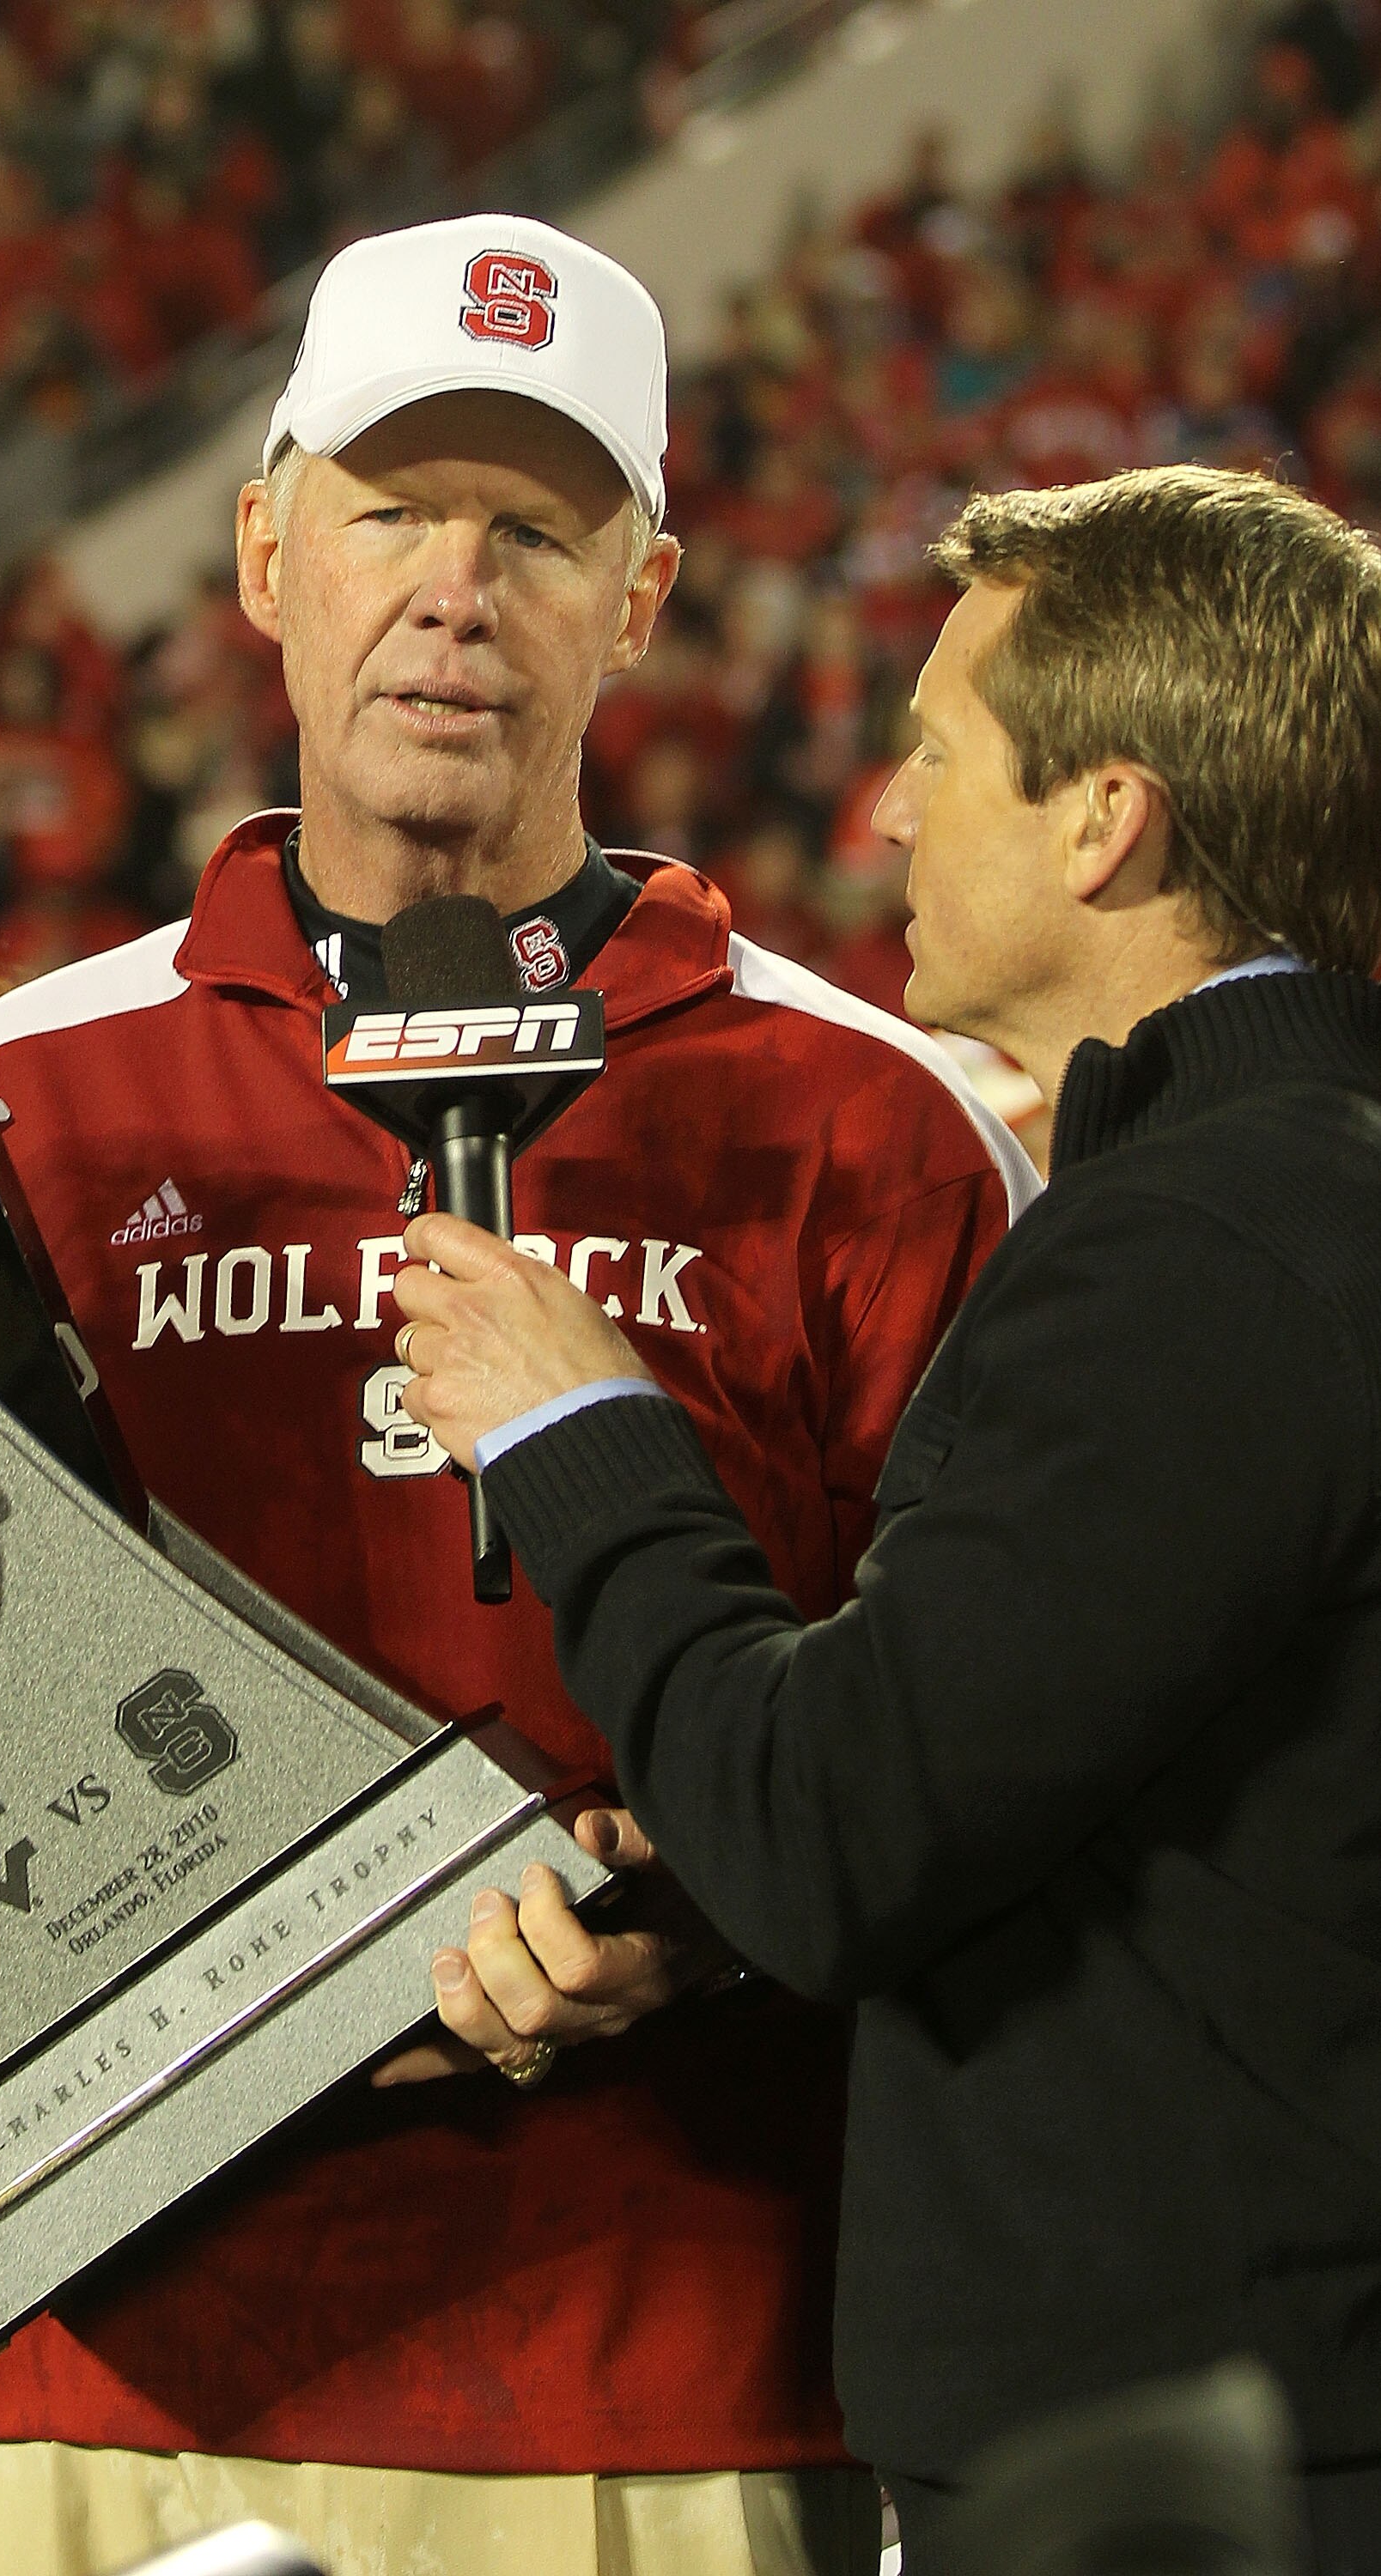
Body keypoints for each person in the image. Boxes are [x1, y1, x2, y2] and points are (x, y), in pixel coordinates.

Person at [0, 219, 1034, 2576]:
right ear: (260, 553)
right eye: (390, 513)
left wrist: (711, 1905)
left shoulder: (867, 1120)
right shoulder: (16, 1101)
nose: (455, 590)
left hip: (666, 2341)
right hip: (112, 2347)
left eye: (535, 532)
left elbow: (974, 1749)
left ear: (641, 602)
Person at [389, 465, 1381, 2573]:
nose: (884, 818)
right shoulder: (1266, 1196)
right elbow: (1050, 1778)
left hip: (1205, 2470)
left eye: (935, 755)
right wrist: (718, 1854)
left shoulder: (1210, 1240)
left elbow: (834, 1836)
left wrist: (579, 1434)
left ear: (1103, 818)